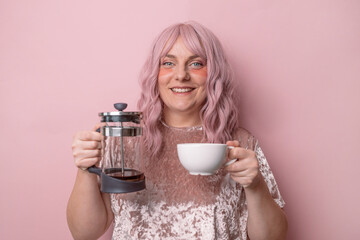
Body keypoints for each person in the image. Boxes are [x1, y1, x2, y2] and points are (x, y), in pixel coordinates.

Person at [67, 21, 288, 240]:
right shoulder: (125, 139)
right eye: (169, 63)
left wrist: (255, 185)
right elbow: (84, 233)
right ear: (154, 73)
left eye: (196, 64)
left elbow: (273, 237)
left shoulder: (239, 144)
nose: (181, 75)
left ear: (214, 74)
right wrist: (86, 168)